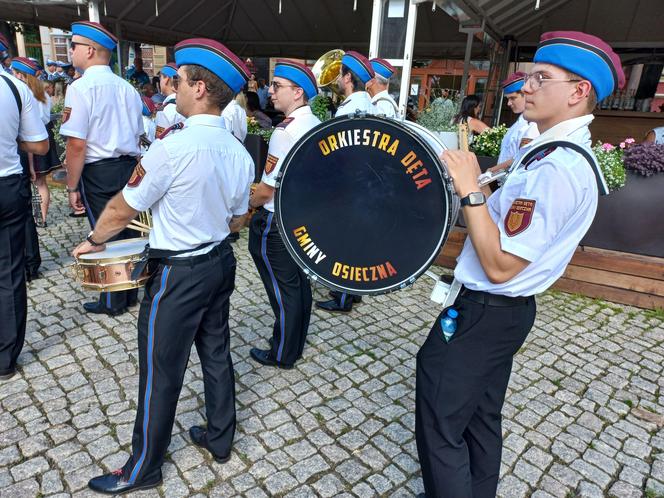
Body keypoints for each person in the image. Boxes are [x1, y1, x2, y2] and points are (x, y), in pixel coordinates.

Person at [415, 31, 625, 498]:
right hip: (500, 314)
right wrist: (478, 187)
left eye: (540, 78)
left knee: (440, 417)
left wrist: (470, 189)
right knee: (479, 417)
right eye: (529, 77)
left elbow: (500, 264)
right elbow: (502, 225)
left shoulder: (556, 168)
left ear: (578, 91)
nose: (526, 88)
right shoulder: (545, 152)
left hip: (488, 309)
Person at [76, 37, 253, 495]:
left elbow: (122, 209)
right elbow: (238, 216)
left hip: (179, 274)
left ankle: (144, 467)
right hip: (219, 261)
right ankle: (220, 436)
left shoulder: (172, 146)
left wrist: (93, 241)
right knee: (215, 352)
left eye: (178, 79)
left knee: (160, 369)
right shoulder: (238, 150)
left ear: (198, 88)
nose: (172, 85)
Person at [60, 21, 143, 316]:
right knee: (127, 229)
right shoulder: (127, 88)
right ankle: (130, 291)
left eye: (74, 47)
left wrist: (72, 186)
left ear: (90, 50)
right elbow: (138, 134)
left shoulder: (80, 88)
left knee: (103, 233)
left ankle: (112, 301)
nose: (71, 52)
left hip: (99, 170)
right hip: (129, 166)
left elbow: (76, 145)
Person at [248, 60, 320, 369]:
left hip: (276, 220)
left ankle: (283, 352)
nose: (270, 91)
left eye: (277, 86)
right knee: (297, 284)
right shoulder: (315, 123)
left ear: (298, 91)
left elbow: (267, 190)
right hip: (301, 217)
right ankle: (294, 343)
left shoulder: (285, 131)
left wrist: (242, 208)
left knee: (282, 288)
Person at [315, 51, 375, 313]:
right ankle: (354, 292)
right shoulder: (367, 105)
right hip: (364, 186)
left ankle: (343, 297)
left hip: (348, 187)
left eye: (339, 74)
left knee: (344, 242)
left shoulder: (350, 109)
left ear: (348, 77)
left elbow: (338, 152)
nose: (336, 79)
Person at [0, 59, 49, 382]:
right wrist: (14, 139)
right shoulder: (14, 87)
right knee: (9, 272)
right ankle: (5, 357)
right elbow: (40, 144)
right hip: (6, 183)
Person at [11, 58, 61, 227]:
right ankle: (42, 218)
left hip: (28, 138)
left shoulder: (22, 93)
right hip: (43, 136)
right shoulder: (42, 92)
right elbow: (46, 119)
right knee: (41, 182)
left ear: (21, 75)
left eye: (15, 73)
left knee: (30, 180)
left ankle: (33, 217)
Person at [493, 72, 540, 171]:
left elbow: (522, 158)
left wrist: (492, 170)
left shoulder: (534, 124)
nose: (509, 103)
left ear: (526, 94)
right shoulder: (520, 121)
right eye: (508, 99)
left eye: (513, 98)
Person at [333, 51, 375, 117]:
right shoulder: (374, 108)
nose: (337, 80)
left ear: (347, 77)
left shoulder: (344, 111)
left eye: (340, 74)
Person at [154, 62, 184, 138]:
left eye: (160, 78)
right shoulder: (188, 105)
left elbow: (160, 140)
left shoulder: (165, 111)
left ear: (166, 79)